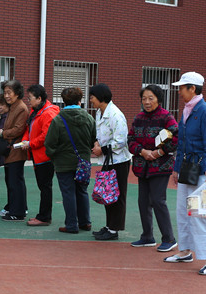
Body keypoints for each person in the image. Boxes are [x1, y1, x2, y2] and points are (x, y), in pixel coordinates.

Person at [166, 72, 206, 275]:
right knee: (183, 211)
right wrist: (176, 168)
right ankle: (185, 251)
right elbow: (181, 143)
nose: (179, 91)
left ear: (193, 89)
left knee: (202, 214)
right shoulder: (188, 110)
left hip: (203, 170)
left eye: (182, 88)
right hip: (187, 167)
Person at [126, 84, 178, 251]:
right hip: (142, 166)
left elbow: (176, 138)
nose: (147, 102)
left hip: (161, 166)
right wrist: (142, 151)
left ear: (158, 99)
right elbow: (130, 139)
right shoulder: (138, 118)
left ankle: (169, 239)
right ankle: (147, 236)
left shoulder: (166, 117)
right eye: (144, 99)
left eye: (150, 98)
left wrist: (159, 152)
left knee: (158, 200)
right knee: (143, 202)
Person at [45, 87, 96, 234]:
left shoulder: (58, 120)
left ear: (63, 101)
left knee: (68, 193)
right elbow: (93, 139)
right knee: (82, 191)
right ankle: (85, 222)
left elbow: (50, 143)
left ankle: (71, 224)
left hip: (63, 163)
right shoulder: (89, 118)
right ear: (80, 101)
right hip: (83, 161)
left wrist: (54, 156)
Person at [88, 83, 133, 241]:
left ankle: (114, 229)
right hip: (108, 159)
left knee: (117, 195)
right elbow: (99, 133)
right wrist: (96, 143)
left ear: (101, 97)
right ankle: (109, 226)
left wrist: (102, 149)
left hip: (119, 161)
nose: (90, 100)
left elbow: (121, 141)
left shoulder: (115, 114)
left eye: (92, 97)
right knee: (107, 193)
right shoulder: (99, 113)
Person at [20, 84, 60, 226]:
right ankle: (43, 215)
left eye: (30, 98)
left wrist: (30, 144)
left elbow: (46, 136)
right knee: (43, 186)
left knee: (45, 187)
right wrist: (25, 140)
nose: (28, 101)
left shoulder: (48, 113)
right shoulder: (36, 111)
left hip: (45, 157)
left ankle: (44, 217)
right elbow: (29, 129)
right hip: (37, 155)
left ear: (39, 98)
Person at [0, 80, 29, 221]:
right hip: (11, 149)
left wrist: (3, 133)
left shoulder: (21, 108)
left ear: (17, 93)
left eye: (9, 92)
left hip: (16, 149)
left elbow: (18, 129)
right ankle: (13, 208)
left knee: (15, 181)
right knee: (11, 181)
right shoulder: (13, 107)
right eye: (5, 93)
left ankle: (18, 212)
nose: (6, 96)